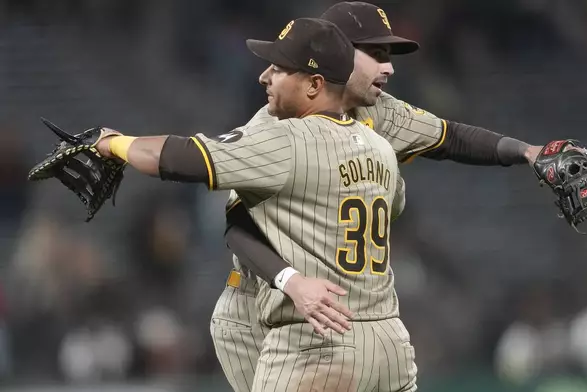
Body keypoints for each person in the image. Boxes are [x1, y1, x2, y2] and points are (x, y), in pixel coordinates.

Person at [215, 2, 548, 391]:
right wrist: (289, 280)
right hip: (259, 308)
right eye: (374, 53)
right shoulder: (276, 122)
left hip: (333, 319)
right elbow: (237, 226)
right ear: (332, 53)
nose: (388, 66)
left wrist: (529, 152)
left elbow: (449, 136)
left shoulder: (377, 112)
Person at [92, 17, 416, 391]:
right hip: (389, 342)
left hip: (317, 339)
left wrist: (111, 143)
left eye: (279, 69)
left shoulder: (286, 140)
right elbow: (393, 207)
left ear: (314, 84)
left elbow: (178, 159)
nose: (264, 77)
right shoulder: (380, 148)